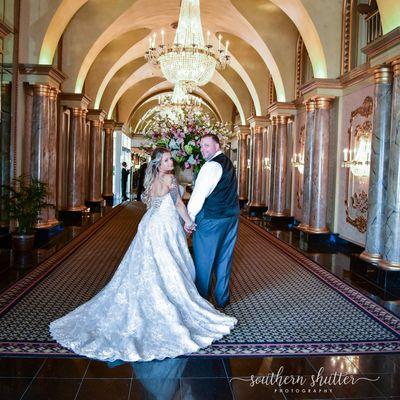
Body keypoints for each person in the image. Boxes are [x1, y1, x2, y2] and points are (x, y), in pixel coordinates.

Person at [49, 147, 236, 362]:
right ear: (158, 163)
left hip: (148, 224)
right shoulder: (171, 180)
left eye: (170, 160)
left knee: (147, 263)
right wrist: (188, 221)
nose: (170, 163)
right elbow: (177, 203)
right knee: (166, 262)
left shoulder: (151, 181)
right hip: (164, 226)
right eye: (166, 160)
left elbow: (150, 203)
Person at [187, 134, 240, 308]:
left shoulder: (211, 166)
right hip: (231, 218)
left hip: (212, 219)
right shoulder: (228, 163)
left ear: (217, 146)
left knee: (204, 261)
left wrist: (189, 218)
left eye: (207, 145)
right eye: (201, 146)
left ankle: (201, 301)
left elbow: (198, 195)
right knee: (224, 260)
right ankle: (222, 299)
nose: (203, 149)